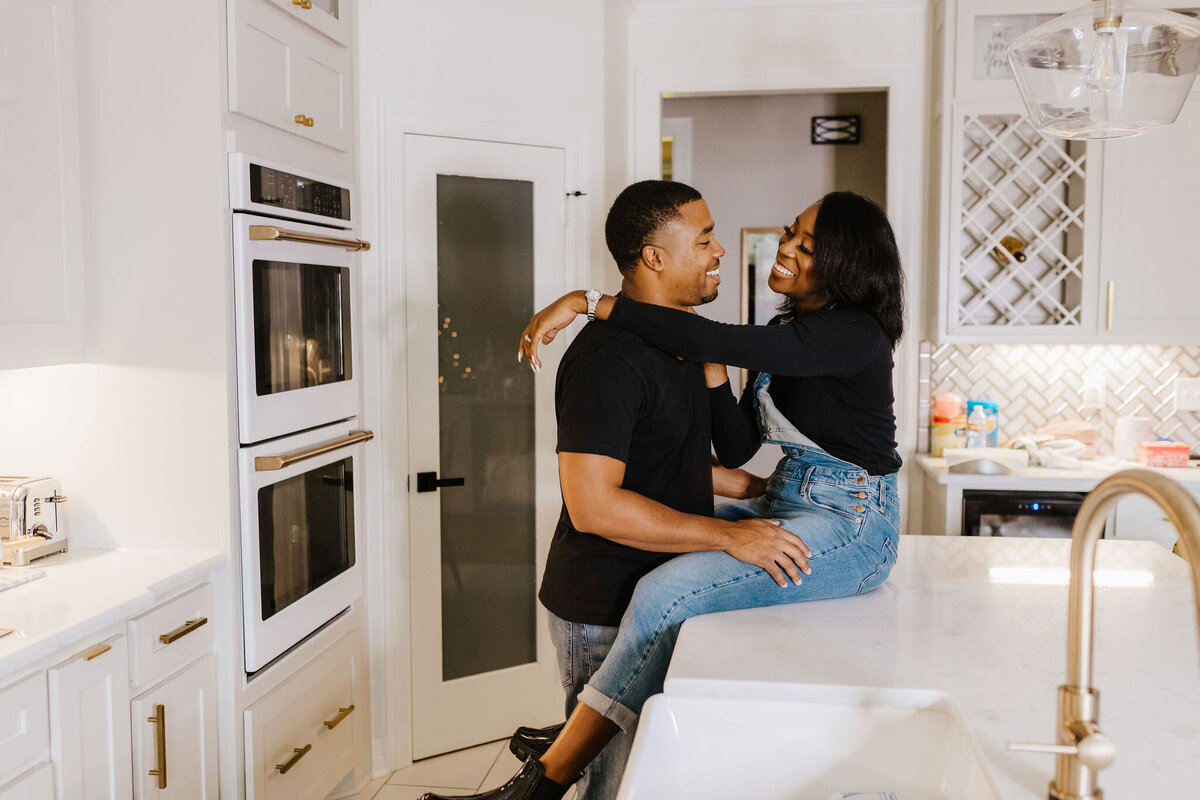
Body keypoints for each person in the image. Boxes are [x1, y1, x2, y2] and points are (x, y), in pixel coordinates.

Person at [423, 189, 905, 800]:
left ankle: (548, 778)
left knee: (666, 589)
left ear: (847, 265)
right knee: (692, 525)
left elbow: (729, 345)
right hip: (794, 497)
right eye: (791, 232)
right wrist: (709, 365)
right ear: (655, 256)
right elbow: (734, 448)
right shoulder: (782, 332)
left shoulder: (852, 335)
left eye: (808, 246)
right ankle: (584, 727)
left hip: (854, 519)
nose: (784, 247)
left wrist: (587, 302)